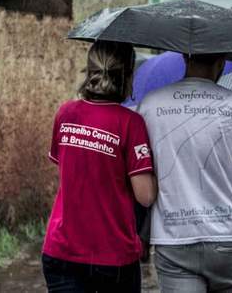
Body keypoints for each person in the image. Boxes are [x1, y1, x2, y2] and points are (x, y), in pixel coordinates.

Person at [138, 54, 232, 292]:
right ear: (221, 63)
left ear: (185, 58)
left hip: (174, 236)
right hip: (230, 236)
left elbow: (145, 169)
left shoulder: (150, 104)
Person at [42, 42, 157, 293]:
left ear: (90, 71)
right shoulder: (131, 123)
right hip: (112, 256)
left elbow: (70, 169)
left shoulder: (66, 113)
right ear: (128, 75)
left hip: (62, 250)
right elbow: (146, 196)